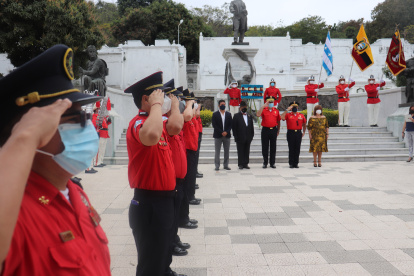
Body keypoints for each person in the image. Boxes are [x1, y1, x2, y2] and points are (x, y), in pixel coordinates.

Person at [0, 44, 111, 275]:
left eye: (86, 116)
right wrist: (24, 139)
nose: (87, 126)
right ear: (34, 130)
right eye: (76, 118)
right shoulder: (14, 212)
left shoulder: (73, 191)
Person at [124, 71, 185, 276]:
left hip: (165, 200)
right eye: (160, 95)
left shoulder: (157, 121)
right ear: (145, 99)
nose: (164, 100)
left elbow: (176, 126)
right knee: (150, 263)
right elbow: (150, 135)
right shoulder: (138, 123)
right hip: (149, 204)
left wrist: (174, 106)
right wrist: (157, 106)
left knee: (162, 253)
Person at [281, 102, 307, 168]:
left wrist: (304, 131)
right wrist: (287, 110)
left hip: (298, 133)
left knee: (297, 148)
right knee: (291, 148)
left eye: (296, 107)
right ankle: (291, 163)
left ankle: (296, 163)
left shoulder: (301, 115)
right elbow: (282, 117)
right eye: (293, 107)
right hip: (290, 133)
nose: (295, 108)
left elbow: (304, 123)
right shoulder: (288, 115)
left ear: (298, 107)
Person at [257, 96, 281, 168]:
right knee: (265, 147)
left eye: (271, 102)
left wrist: (278, 130)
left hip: (273, 130)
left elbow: (278, 121)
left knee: (273, 147)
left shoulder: (276, 110)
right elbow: (258, 114)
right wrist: (263, 106)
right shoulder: (264, 109)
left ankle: (272, 163)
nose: (270, 103)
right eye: (269, 102)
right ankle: (265, 162)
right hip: (265, 130)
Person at [232, 101, 254, 169]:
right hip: (240, 137)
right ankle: (240, 164)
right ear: (240, 108)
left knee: (247, 150)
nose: (244, 108)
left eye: (245, 107)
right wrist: (235, 136)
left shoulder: (249, 116)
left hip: (248, 137)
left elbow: (251, 127)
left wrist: (251, 136)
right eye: (242, 107)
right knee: (240, 150)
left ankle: (246, 163)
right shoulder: (236, 116)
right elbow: (234, 127)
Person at [212, 99, 233, 171]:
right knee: (217, 151)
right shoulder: (215, 114)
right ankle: (217, 165)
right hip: (218, 135)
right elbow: (214, 125)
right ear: (218, 106)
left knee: (226, 151)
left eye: (224, 104)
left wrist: (226, 132)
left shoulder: (228, 114)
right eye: (221, 105)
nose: (223, 106)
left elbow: (230, 124)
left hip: (227, 135)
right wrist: (221, 132)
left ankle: (226, 165)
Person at [195, 100, 204, 179]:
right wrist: (197, 108)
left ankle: (195, 171)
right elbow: (197, 114)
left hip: (198, 133)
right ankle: (194, 172)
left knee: (196, 156)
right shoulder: (193, 112)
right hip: (195, 134)